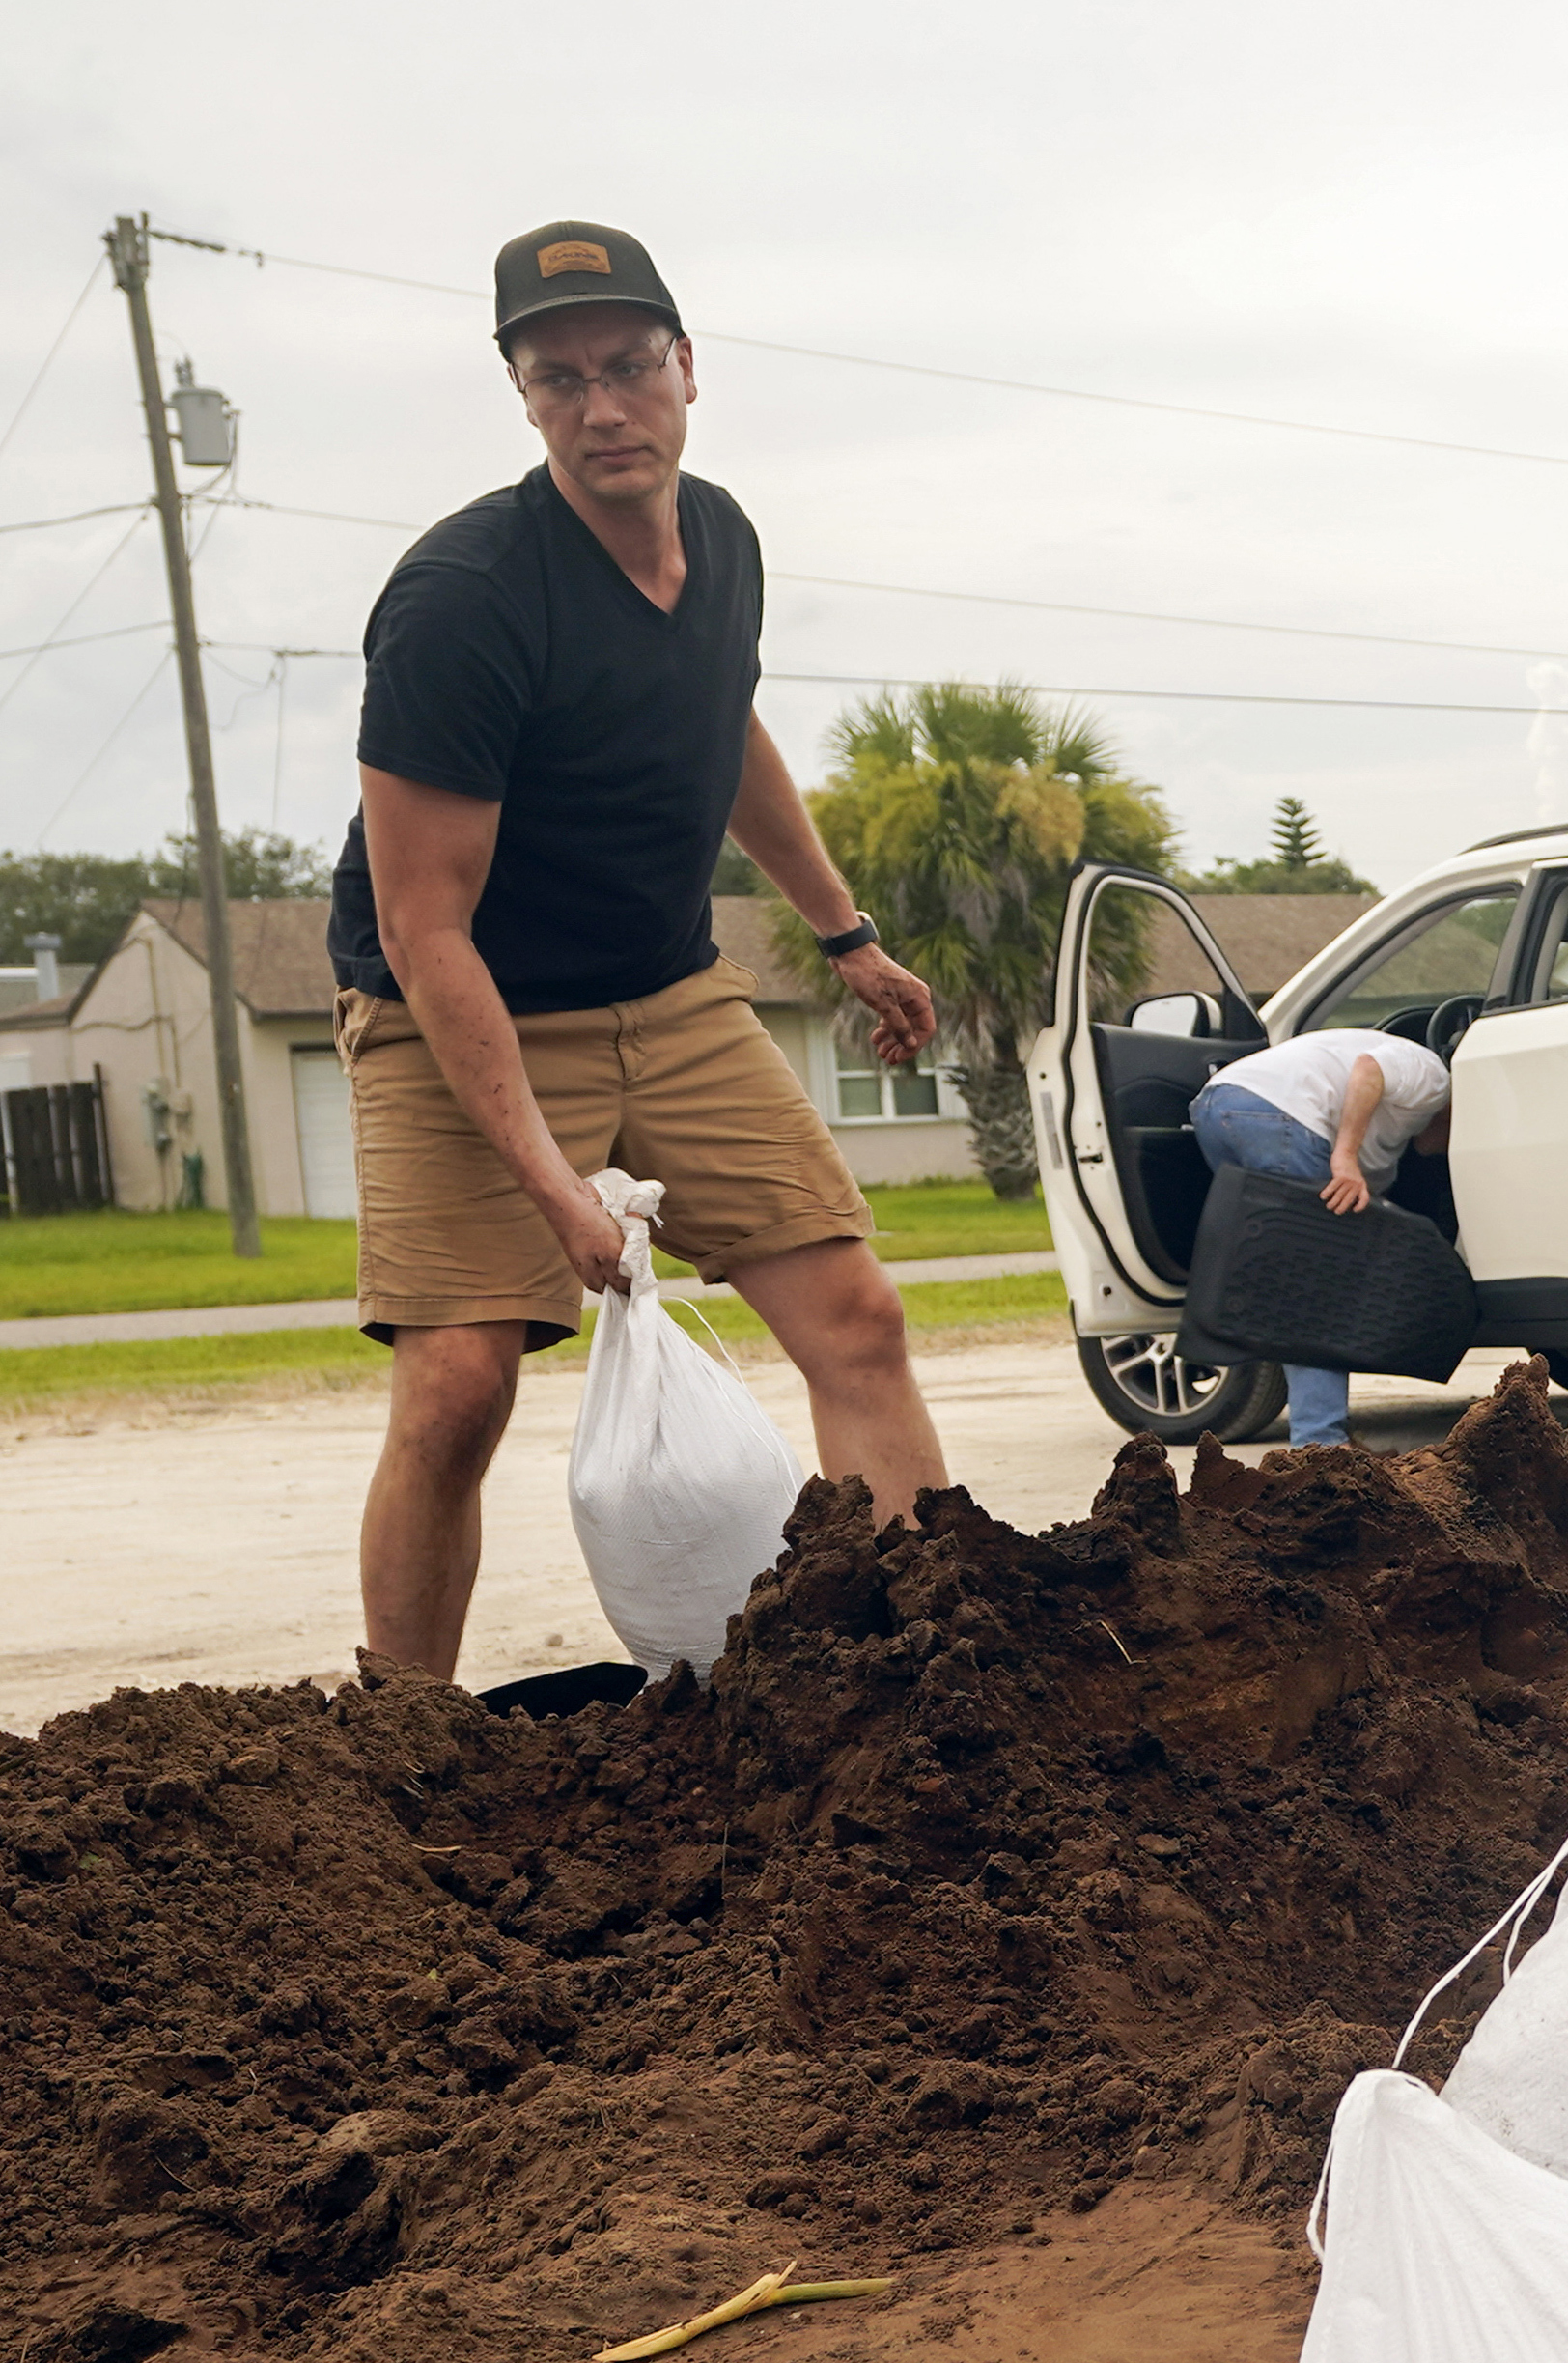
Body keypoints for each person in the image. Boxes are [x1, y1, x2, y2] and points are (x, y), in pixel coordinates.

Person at [329, 221, 951, 1678]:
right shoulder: (464, 602)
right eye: (559, 380)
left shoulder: (721, 537)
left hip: (667, 993)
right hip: (452, 1003)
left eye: (626, 367)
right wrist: (556, 1188)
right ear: (523, 397)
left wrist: (843, 933)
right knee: (461, 1383)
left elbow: (721, 732)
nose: (601, 407)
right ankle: (399, 1741)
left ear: (686, 368)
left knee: (857, 1316)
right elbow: (428, 930)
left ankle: (926, 1674)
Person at [1187, 1026, 1454, 1446]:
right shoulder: (1435, 1078)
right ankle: (1320, 1444)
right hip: (1279, 1113)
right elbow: (1369, 1069)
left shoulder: (1390, 1146)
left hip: (1216, 1105)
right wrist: (1345, 1154)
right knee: (1316, 1283)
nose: (1448, 1147)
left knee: (1276, 1273)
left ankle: (1306, 1424)